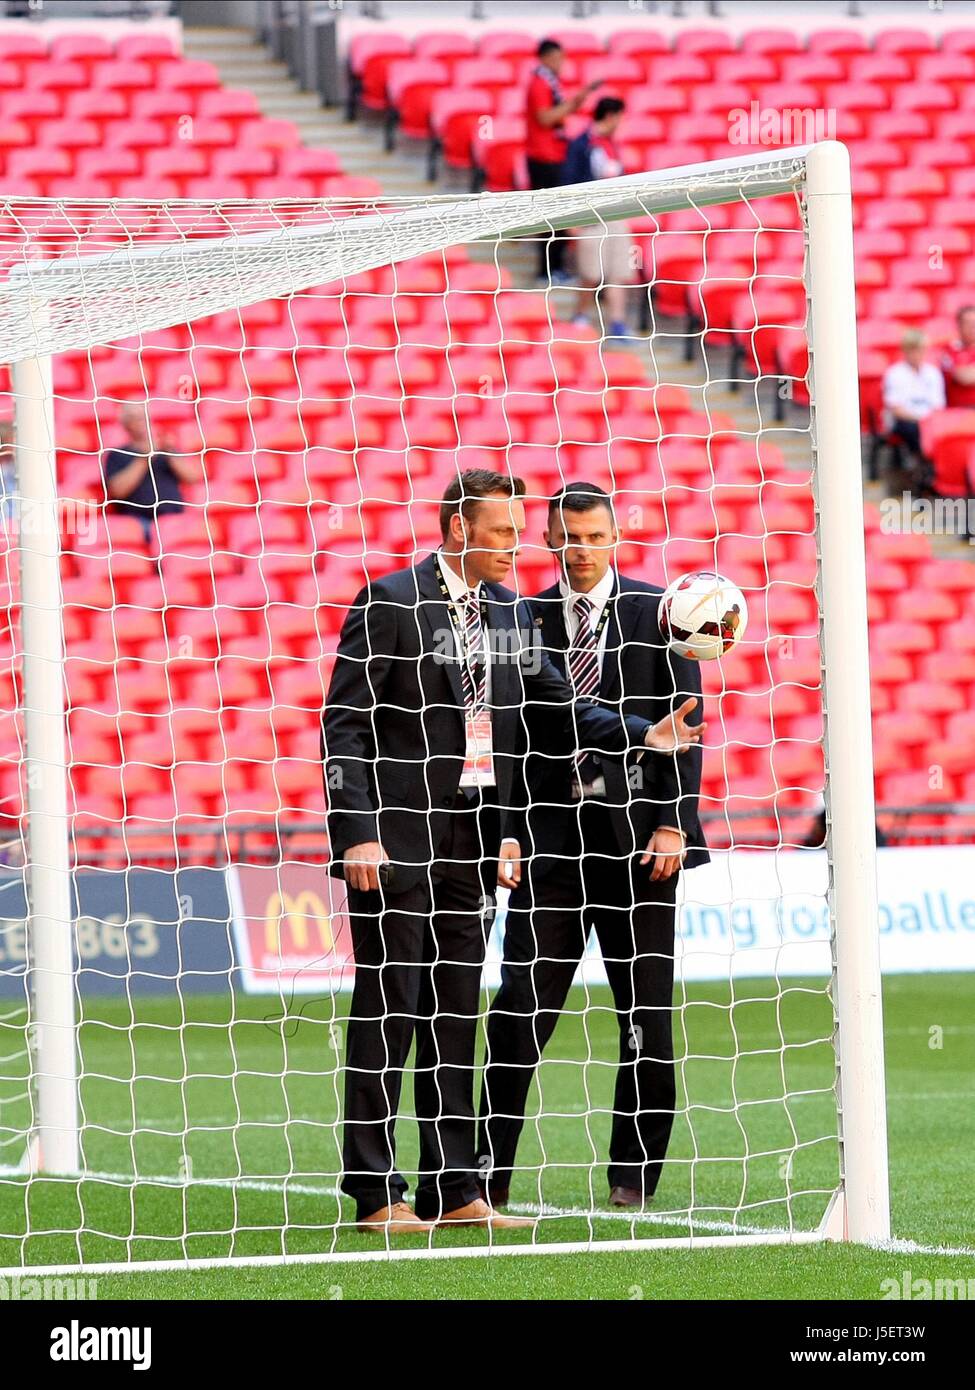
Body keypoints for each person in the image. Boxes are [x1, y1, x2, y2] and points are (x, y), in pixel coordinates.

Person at [322, 469, 704, 1235]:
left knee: (457, 1016)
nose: (520, 545)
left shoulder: (504, 610)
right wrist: (355, 830)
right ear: (460, 531)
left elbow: (557, 706)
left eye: (521, 530)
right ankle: (373, 1190)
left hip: (471, 842)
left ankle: (453, 1187)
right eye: (503, 532)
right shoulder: (391, 601)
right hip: (394, 842)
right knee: (391, 1011)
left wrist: (642, 735)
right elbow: (344, 726)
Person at [477, 482, 708, 1212]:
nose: (581, 550)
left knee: (644, 1015)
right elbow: (512, 738)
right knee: (519, 1007)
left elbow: (686, 720)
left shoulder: (659, 613)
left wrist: (674, 819)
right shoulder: (523, 616)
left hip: (641, 846)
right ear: (549, 540)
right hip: (549, 845)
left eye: (594, 537)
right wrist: (507, 828)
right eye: (569, 537)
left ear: (615, 539)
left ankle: (631, 1178)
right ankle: (484, 1177)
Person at [525, 38, 601, 284]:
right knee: (551, 215)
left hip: (554, 154)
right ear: (545, 58)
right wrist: (571, 106)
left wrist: (578, 100)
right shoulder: (539, 84)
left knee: (558, 214)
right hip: (543, 156)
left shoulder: (549, 83)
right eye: (557, 58)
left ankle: (554, 267)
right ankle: (547, 269)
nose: (561, 63)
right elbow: (545, 119)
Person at [563, 96, 636, 340]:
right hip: (590, 217)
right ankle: (580, 314)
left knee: (618, 272)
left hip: (616, 215)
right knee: (591, 273)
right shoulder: (582, 145)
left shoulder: (610, 144)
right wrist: (571, 220)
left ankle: (617, 323)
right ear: (611, 116)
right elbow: (568, 182)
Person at [102, 402, 197, 541]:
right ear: (126, 425)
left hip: (174, 520)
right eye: (135, 418)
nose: (142, 422)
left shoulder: (165, 449)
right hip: (140, 522)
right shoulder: (117, 454)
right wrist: (145, 457)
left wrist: (169, 451)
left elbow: (192, 477)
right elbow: (118, 490)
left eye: (144, 417)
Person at [882, 329, 945, 459]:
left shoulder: (932, 372)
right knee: (914, 429)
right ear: (905, 351)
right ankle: (921, 461)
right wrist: (920, 419)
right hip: (906, 421)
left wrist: (928, 420)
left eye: (920, 350)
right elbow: (896, 409)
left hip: (930, 420)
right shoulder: (894, 373)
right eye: (913, 350)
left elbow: (938, 406)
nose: (917, 354)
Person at [940, 305, 975, 409]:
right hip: (960, 411)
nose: (972, 327)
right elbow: (962, 377)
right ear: (959, 325)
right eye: (968, 323)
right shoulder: (949, 350)